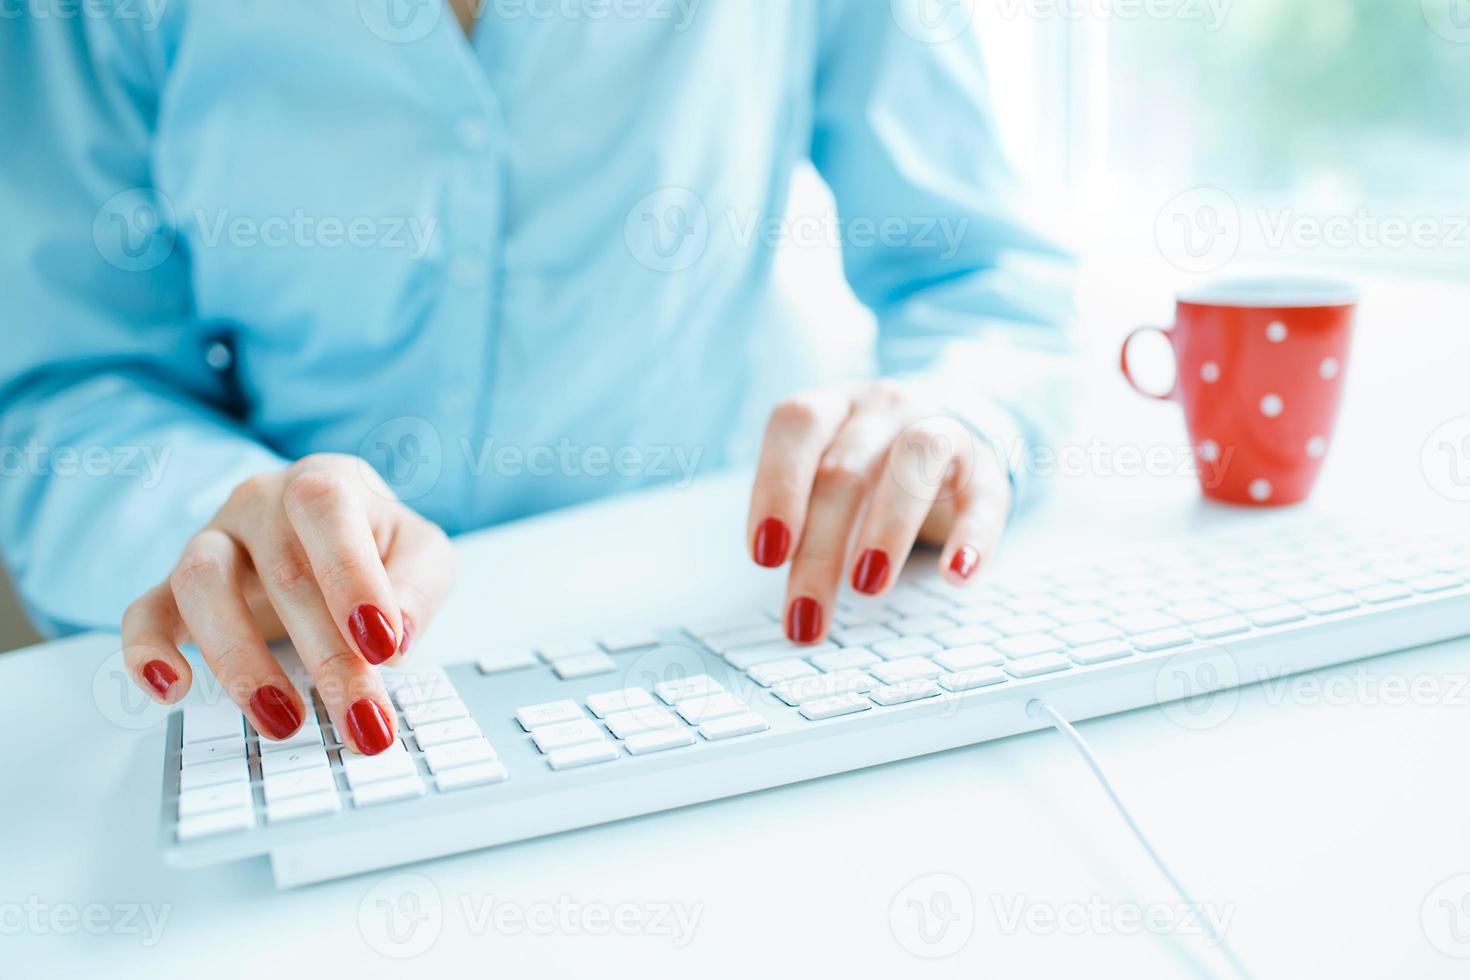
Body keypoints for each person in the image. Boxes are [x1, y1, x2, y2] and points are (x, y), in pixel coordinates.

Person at [0, 0, 1073, 755]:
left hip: (703, 651)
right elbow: (65, 383)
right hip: (284, 694)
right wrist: (223, 522)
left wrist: (954, 416)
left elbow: (981, 272)